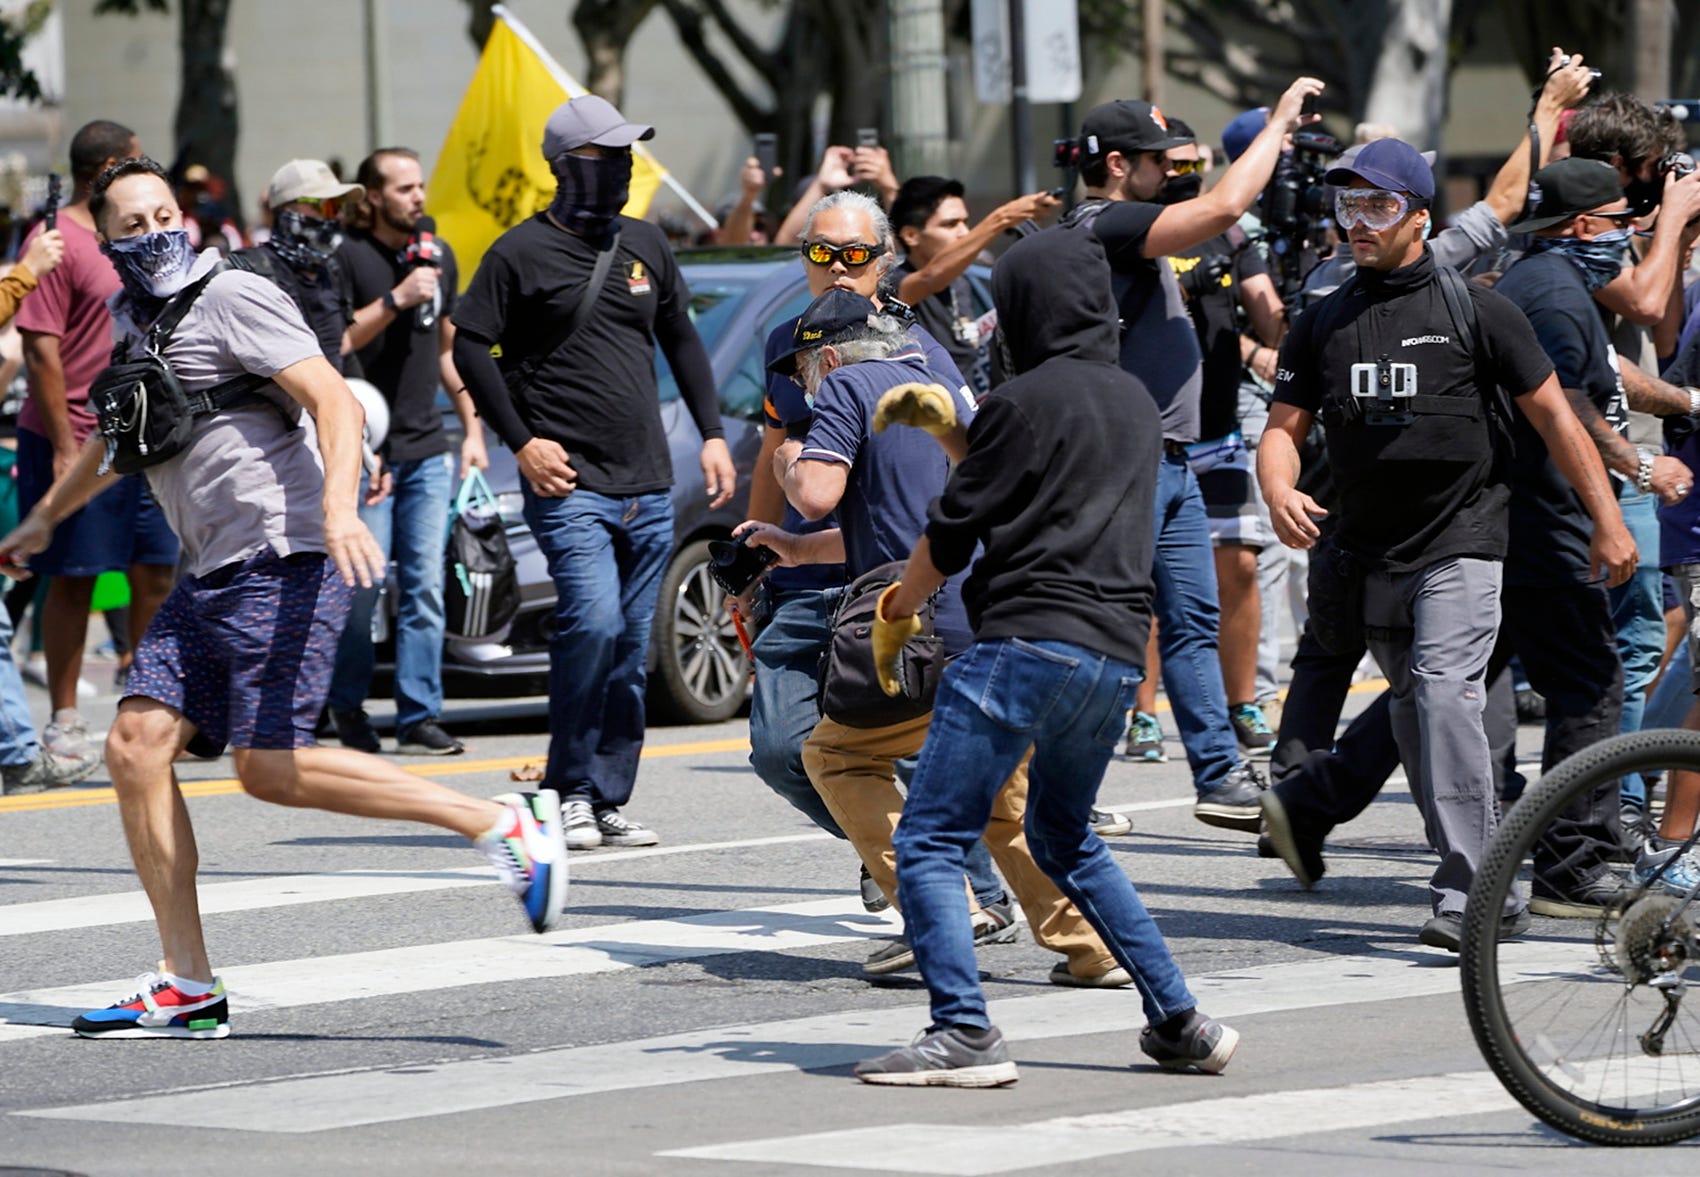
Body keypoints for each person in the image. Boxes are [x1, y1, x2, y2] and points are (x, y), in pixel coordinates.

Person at [0, 157, 566, 1038]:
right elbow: (117, 443)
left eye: (163, 215)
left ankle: (501, 823)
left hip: (285, 552)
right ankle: (187, 981)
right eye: (132, 223)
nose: (152, 232)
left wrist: (340, 508)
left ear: (184, 218)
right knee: (135, 743)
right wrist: (40, 521)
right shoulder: (130, 320)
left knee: (271, 770)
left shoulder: (233, 297)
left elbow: (332, 402)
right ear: (105, 240)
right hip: (214, 569)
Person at [854, 227, 1238, 1087]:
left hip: (1023, 645)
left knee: (928, 836)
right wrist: (963, 436)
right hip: (1108, 662)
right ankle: (1181, 1017)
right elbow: (1043, 489)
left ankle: (962, 1032)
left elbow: (956, 527)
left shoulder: (1023, 399)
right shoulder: (1137, 402)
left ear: (1028, 307)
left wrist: (898, 609)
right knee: (1065, 837)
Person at [1256, 137, 1635, 949]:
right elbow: (1283, 429)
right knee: (1414, 721)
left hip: (1464, 540)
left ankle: (1470, 889)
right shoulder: (1323, 320)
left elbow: (1558, 418)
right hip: (1371, 552)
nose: (1357, 222)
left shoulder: (1479, 309)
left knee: (1441, 694)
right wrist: (1279, 486)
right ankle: (1494, 874)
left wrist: (1606, 518)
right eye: (1346, 205)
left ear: (1419, 217)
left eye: (1378, 206)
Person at [768, 288, 1132, 989]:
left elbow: (815, 492)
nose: (805, 385)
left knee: (835, 756)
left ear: (832, 355)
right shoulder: (943, 386)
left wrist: (789, 457)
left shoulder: (846, 384)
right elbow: (906, 524)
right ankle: (1093, 946)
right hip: (990, 613)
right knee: (1008, 799)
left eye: (804, 368)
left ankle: (945, 911)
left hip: (918, 627)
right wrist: (794, 548)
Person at [452, 96, 735, 851]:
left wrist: (711, 435)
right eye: (607, 155)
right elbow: (471, 347)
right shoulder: (517, 254)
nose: (623, 168)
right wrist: (521, 442)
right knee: (594, 625)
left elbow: (682, 337)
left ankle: (606, 796)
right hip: (569, 487)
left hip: (647, 484)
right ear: (566, 165)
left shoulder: (646, 243)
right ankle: (563, 790)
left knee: (628, 652)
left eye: (627, 155)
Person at [1060, 79, 1325, 830]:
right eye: (1155, 160)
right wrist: (1275, 125)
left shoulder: (1135, 221)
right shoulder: (1103, 220)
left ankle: (1217, 772)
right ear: (1116, 165)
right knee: (1111, 621)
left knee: (1194, 613)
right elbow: (1222, 206)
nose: (1170, 170)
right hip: (1127, 457)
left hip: (1177, 455)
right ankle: (1065, 784)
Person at [16, 119, 177, 761]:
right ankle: (62, 719)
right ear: (106, 168)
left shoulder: (146, 238)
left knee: (156, 572)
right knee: (75, 579)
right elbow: (41, 352)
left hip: (146, 436)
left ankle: (147, 708)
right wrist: (62, 444)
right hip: (79, 438)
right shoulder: (55, 241)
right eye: (135, 162)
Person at [326, 147, 486, 756]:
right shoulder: (347, 256)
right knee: (362, 587)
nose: (417, 198)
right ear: (371, 196)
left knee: (423, 585)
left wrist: (471, 428)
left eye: (420, 187)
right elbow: (334, 342)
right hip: (365, 452)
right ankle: (346, 706)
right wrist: (396, 298)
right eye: (403, 189)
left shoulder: (437, 255)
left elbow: (448, 351)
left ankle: (420, 714)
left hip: (427, 446)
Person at [1156, 118, 1287, 760]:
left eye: (1194, 163)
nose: (1185, 175)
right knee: (1147, 577)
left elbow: (1269, 316)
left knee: (1239, 564)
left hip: (1220, 428)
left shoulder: (1230, 232)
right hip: (1154, 431)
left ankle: (1244, 704)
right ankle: (1142, 713)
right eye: (1174, 164)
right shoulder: (1141, 230)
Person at [884, 175, 1059, 392]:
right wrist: (1002, 217)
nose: (964, 233)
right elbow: (930, 278)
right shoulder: (893, 284)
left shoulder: (965, 281)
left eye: (965, 222)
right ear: (911, 235)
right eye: (950, 224)